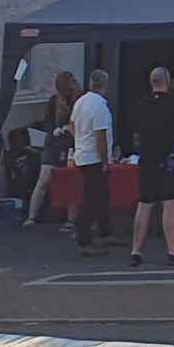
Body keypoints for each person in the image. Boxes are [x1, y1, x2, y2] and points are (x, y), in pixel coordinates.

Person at [129, 65, 174, 268]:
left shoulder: (141, 104)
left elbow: (136, 130)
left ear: (151, 82)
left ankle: (135, 251)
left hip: (147, 160)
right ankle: (173, 251)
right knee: (170, 205)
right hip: (169, 160)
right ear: (168, 82)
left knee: (144, 205)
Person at [22, 71, 78, 228]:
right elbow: (48, 121)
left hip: (71, 143)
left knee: (71, 181)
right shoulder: (54, 101)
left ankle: (71, 220)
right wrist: (54, 129)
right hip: (54, 142)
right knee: (44, 179)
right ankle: (32, 217)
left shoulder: (78, 101)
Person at [69, 68, 116, 254]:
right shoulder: (99, 107)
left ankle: (106, 232)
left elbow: (72, 124)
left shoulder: (81, 102)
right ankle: (84, 240)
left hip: (83, 154)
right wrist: (105, 161)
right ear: (105, 85)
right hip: (94, 158)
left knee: (102, 196)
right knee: (91, 199)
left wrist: (79, 141)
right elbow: (100, 137)